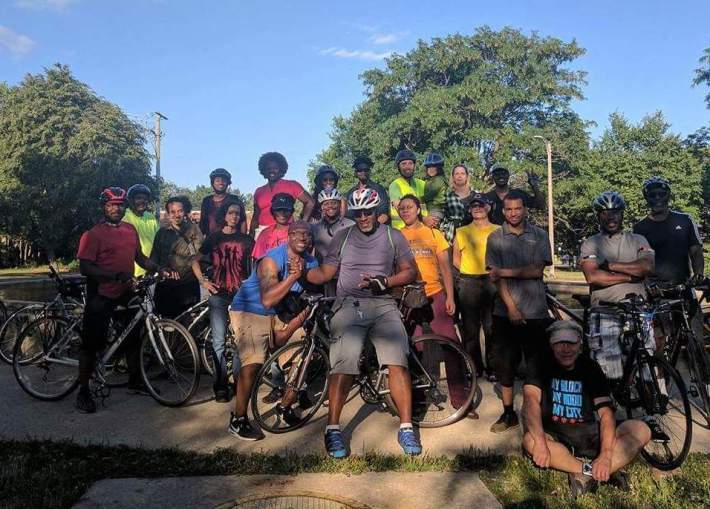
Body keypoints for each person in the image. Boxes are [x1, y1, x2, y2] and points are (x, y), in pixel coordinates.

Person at [306, 188, 423, 458]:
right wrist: (300, 273)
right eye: (358, 213)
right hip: (349, 305)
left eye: (368, 212)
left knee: (397, 363)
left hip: (383, 305)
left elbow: (410, 270)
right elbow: (327, 272)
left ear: (377, 211)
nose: (363, 218)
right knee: (343, 365)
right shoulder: (343, 238)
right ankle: (333, 429)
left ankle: (406, 428)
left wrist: (387, 281)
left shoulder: (393, 236)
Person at [522, 321, 651, 497]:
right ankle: (594, 471)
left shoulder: (590, 367)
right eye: (560, 343)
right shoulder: (539, 363)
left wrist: (605, 454)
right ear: (551, 344)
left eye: (571, 343)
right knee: (530, 441)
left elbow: (606, 413)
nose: (566, 349)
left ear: (580, 344)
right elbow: (530, 401)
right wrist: (541, 442)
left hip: (589, 433)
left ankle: (591, 472)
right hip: (556, 435)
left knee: (641, 429)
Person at [76, 187, 167, 414]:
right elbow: (85, 267)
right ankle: (83, 391)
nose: (116, 208)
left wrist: (158, 268)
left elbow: (139, 258)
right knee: (91, 344)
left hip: (126, 289)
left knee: (134, 336)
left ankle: (135, 381)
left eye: (119, 205)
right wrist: (113, 276)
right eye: (111, 205)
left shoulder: (129, 229)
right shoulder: (93, 234)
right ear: (103, 208)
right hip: (102, 292)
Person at [228, 221, 318, 440]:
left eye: (306, 234)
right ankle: (238, 419)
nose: (302, 238)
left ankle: (285, 407)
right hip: (252, 309)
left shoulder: (311, 261)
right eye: (297, 233)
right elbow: (267, 299)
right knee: (254, 362)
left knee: (303, 354)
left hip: (283, 314)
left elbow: (312, 300)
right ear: (288, 236)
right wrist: (293, 277)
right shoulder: (271, 259)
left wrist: (290, 330)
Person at [485, 190, 552, 433]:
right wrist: (511, 307)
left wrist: (504, 271)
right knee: (506, 366)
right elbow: (494, 277)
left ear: (525, 209)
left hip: (536, 311)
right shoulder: (495, 238)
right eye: (509, 209)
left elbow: (536, 271)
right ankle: (508, 413)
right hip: (505, 312)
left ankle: (537, 413)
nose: (513, 213)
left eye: (517, 208)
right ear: (503, 211)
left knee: (536, 364)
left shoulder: (540, 235)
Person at [397, 194, 470, 410]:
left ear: (419, 209)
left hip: (435, 293)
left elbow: (446, 267)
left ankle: (460, 398)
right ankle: (418, 399)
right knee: (413, 347)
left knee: (451, 345)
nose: (405, 211)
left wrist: (449, 296)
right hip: (409, 298)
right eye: (402, 208)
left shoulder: (433, 233)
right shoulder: (397, 235)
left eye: (409, 207)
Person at [580, 191, 655, 385]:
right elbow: (593, 276)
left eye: (616, 211)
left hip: (637, 308)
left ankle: (648, 412)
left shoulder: (639, 239)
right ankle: (609, 411)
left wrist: (610, 266)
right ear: (598, 215)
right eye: (605, 212)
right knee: (608, 369)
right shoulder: (591, 243)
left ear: (622, 214)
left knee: (646, 365)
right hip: (605, 309)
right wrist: (631, 276)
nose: (611, 216)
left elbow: (647, 267)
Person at [192, 199, 254, 402]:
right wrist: (203, 281)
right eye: (230, 213)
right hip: (218, 295)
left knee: (239, 342)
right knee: (218, 342)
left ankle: (238, 383)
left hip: (240, 297)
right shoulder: (213, 238)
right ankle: (220, 386)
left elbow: (255, 265)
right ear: (224, 216)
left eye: (237, 213)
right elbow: (195, 260)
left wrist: (251, 284)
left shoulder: (247, 240)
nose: (234, 216)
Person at [452, 193, 500, 378]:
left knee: (491, 327)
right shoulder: (462, 231)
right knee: (471, 329)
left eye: (481, 205)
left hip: (491, 280)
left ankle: (493, 368)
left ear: (488, 207)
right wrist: (467, 269)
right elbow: (455, 258)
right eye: (474, 206)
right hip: (469, 281)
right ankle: (474, 368)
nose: (477, 208)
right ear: (469, 210)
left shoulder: (498, 230)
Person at [150, 196, 202, 318]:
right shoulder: (161, 233)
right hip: (165, 286)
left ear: (185, 212)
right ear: (167, 214)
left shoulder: (194, 231)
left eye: (180, 211)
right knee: (165, 326)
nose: (176, 215)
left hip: (188, 286)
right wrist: (159, 270)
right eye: (172, 212)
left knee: (188, 325)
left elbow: (198, 256)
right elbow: (154, 257)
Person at [249, 152, 315, 238]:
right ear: (263, 170)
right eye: (268, 168)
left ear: (281, 169)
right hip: (263, 233)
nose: (271, 171)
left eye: (275, 168)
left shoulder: (292, 185)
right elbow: (255, 216)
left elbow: (310, 202)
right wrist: (250, 235)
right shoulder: (259, 191)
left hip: (285, 231)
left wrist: (302, 223)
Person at [311, 188, 354, 296]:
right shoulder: (315, 228)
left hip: (347, 275)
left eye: (334, 203)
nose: (330, 206)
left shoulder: (351, 225)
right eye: (326, 204)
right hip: (325, 277)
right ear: (321, 207)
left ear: (340, 204)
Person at [389, 150, 435, 230]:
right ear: (398, 167)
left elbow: (434, 204)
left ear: (414, 166)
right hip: (402, 232)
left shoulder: (423, 184)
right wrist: (424, 220)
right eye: (403, 164)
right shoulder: (395, 185)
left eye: (410, 163)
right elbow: (401, 210)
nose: (407, 166)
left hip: (423, 230)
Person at [122, 184, 159, 277]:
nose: (142, 201)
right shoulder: (124, 217)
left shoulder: (150, 217)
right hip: (132, 272)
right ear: (130, 200)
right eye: (138, 198)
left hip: (152, 269)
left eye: (145, 199)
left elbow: (158, 241)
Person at [199, 168, 247, 236]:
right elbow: (202, 223)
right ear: (213, 183)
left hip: (231, 240)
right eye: (217, 180)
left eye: (224, 180)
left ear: (228, 183)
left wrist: (242, 239)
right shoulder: (206, 201)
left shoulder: (234, 200)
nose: (221, 183)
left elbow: (243, 221)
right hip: (211, 240)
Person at [344, 156, 389, 224]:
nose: (363, 172)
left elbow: (384, 214)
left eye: (366, 169)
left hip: (375, 229)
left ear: (369, 171)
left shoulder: (379, 189)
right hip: (357, 230)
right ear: (356, 173)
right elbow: (348, 215)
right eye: (360, 170)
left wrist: (372, 229)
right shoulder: (351, 192)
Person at [252, 193, 295, 260]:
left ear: (291, 211)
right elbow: (257, 260)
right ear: (272, 212)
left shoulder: (297, 232)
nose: (282, 213)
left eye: (286, 210)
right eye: (278, 210)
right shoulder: (265, 234)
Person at [439, 163, 474, 243]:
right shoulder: (447, 196)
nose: (459, 176)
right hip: (451, 237)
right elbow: (442, 219)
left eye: (462, 173)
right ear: (453, 177)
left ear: (467, 177)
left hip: (471, 238)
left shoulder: (475, 196)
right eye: (457, 173)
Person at [422, 153, 448, 224]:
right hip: (431, 209)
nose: (431, 169)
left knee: (431, 230)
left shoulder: (438, 180)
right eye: (429, 167)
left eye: (434, 167)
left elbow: (429, 194)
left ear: (439, 168)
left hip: (437, 210)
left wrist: (415, 199)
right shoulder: (430, 180)